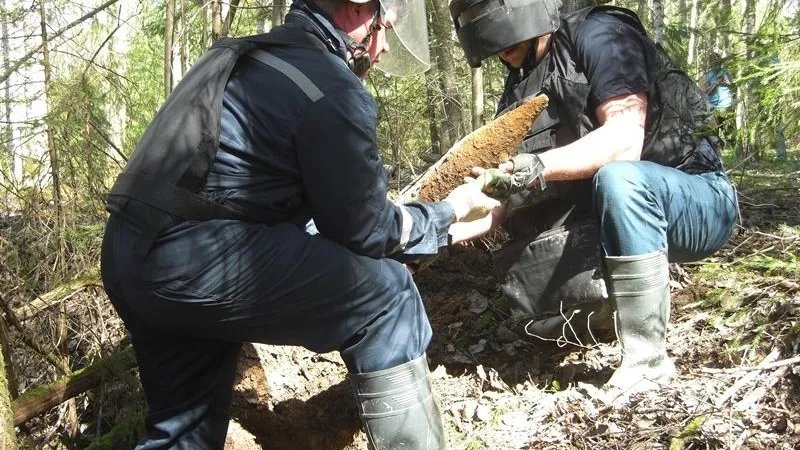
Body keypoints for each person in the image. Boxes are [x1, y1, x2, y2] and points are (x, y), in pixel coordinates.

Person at [100, 0, 501, 447]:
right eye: (385, 28)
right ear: (356, 11)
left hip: (131, 254)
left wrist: (442, 232)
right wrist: (449, 211)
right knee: (387, 298)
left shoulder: (250, 57)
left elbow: (281, 210)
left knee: (184, 430)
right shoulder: (328, 85)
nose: (385, 47)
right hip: (198, 256)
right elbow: (366, 229)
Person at [448, 0, 738, 399]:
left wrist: (536, 166)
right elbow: (499, 203)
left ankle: (647, 364)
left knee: (620, 179)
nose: (501, 50)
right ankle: (606, 312)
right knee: (536, 288)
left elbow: (624, 142)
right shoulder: (519, 89)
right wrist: (437, 226)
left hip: (696, 197)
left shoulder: (599, 33)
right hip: (614, 214)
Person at [702, 52, 737, 150]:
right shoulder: (706, 76)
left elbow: (733, 86)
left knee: (731, 136)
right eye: (713, 61)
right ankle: (716, 155)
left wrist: (728, 82)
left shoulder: (726, 72)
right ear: (710, 63)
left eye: (718, 61)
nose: (716, 63)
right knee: (713, 137)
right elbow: (703, 92)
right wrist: (716, 83)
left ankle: (735, 154)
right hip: (713, 109)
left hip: (727, 107)